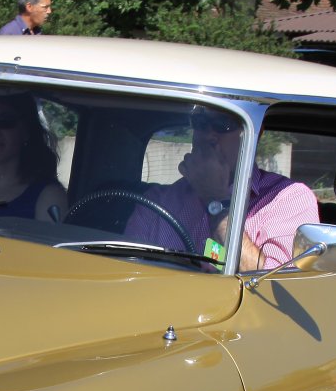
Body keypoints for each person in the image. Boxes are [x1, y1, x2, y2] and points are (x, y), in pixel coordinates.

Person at [124, 106, 318, 270]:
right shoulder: (158, 202)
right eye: (200, 123)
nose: (209, 135)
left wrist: (215, 200)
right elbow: (128, 270)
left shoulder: (289, 199)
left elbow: (272, 287)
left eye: (224, 124)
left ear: (256, 134)